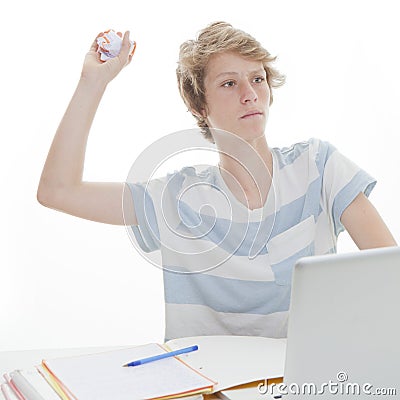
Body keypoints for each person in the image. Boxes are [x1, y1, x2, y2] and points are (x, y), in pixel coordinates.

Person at [37, 22, 397, 340]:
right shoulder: (178, 199)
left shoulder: (319, 168)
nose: (250, 93)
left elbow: (390, 275)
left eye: (257, 78)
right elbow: (58, 191)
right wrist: (92, 82)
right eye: (229, 83)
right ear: (199, 107)